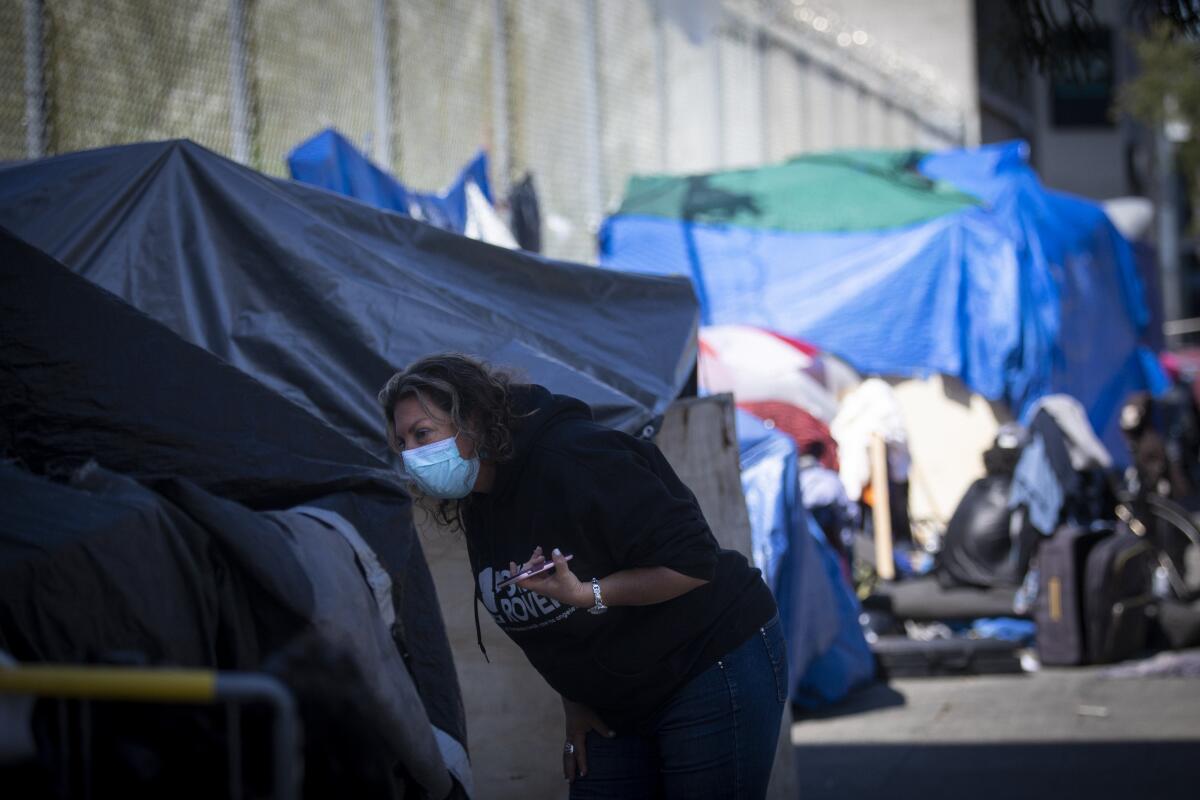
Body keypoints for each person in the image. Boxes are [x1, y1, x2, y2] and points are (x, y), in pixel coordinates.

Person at [378, 353, 786, 799]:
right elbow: (546, 623)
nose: (414, 457)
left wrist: (590, 592)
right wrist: (574, 700)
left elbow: (693, 563)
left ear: (472, 420)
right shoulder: (482, 500)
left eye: (424, 434)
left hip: (709, 662)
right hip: (616, 700)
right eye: (403, 443)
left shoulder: (574, 458)